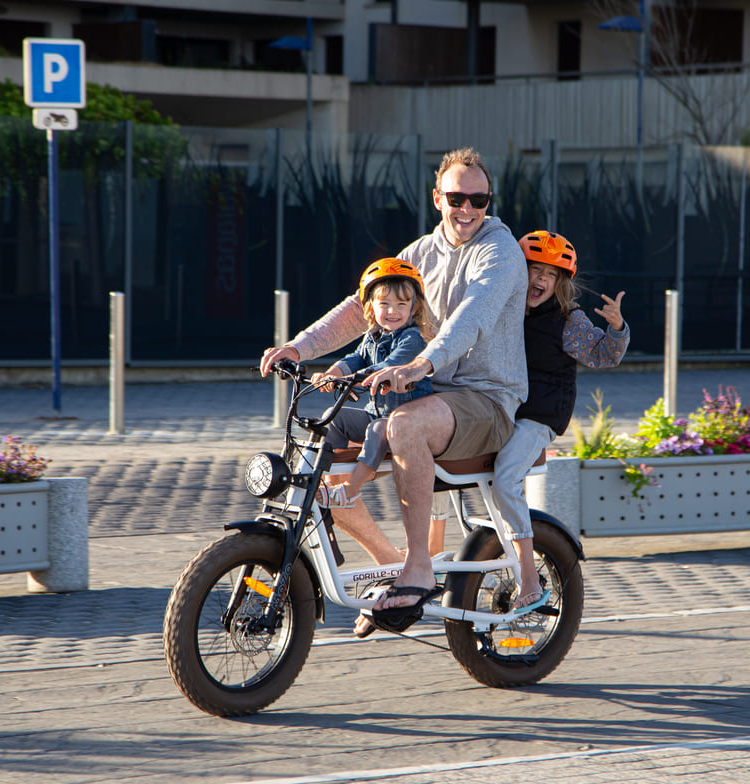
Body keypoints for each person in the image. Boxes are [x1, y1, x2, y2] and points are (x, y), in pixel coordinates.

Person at [260, 147, 527, 632]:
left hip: (484, 399)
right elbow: (361, 305)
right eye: (456, 198)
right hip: (423, 392)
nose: (467, 209)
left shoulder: (500, 251)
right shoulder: (420, 252)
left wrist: (421, 362)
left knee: (403, 425)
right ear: (437, 198)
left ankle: (418, 568)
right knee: (318, 437)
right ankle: (390, 562)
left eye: (479, 199)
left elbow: (474, 317)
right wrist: (299, 347)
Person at [493, 230, 629, 609]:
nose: (540, 279)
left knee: (505, 479)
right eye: (534, 270)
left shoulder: (567, 320)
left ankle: (528, 578)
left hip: (539, 416)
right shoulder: (503, 309)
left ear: (560, 283)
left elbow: (604, 355)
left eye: (550, 275)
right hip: (501, 410)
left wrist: (617, 328)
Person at [311, 258, 434, 517]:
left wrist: (349, 379)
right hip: (375, 413)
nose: (392, 311)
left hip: (406, 424)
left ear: (414, 307)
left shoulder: (412, 339)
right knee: (334, 417)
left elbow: (388, 365)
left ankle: (352, 488)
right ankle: (321, 478)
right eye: (384, 304)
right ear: (371, 306)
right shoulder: (372, 336)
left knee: (378, 429)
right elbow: (355, 358)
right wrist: (332, 373)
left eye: (401, 304)